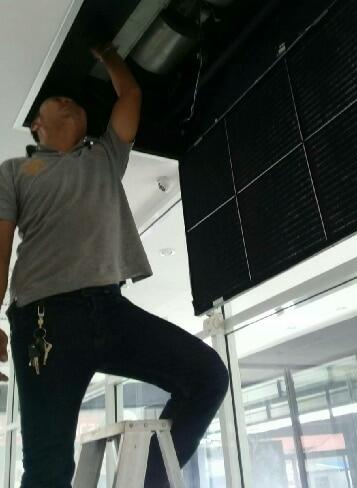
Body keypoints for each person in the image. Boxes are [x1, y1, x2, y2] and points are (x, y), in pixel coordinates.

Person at [0, 44, 229, 488]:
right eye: (58, 100)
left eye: (77, 102)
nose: (70, 102)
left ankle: (148, 482)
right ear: (35, 125)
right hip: (44, 323)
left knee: (208, 377)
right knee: (47, 470)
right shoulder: (14, 173)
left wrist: (109, 56)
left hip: (109, 310)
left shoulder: (104, 155)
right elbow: (0, 248)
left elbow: (131, 97)